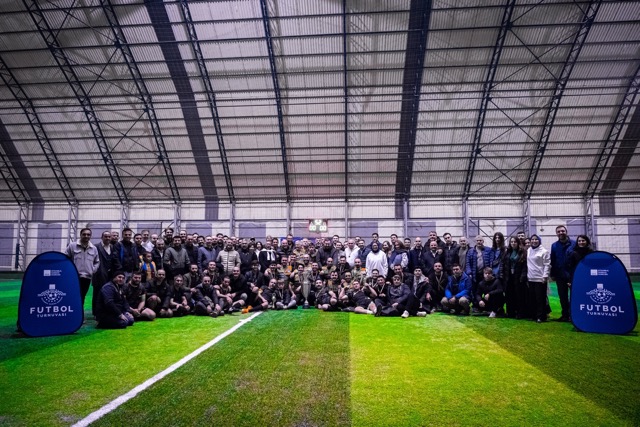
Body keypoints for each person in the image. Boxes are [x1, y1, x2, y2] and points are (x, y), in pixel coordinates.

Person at [65, 227, 100, 309]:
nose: (86, 236)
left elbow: (97, 262)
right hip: (74, 276)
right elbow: (66, 259)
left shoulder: (94, 248)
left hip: (87, 277)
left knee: (82, 296)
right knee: (73, 295)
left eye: (88, 234)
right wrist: (70, 271)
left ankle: (80, 313)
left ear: (90, 236)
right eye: (84, 234)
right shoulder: (72, 246)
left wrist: (92, 270)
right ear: (80, 235)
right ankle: (72, 312)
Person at [550, 225, 575, 322]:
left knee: (574, 296)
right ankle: (565, 315)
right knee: (562, 296)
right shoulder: (554, 245)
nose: (561, 233)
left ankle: (574, 315)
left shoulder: (574, 244)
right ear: (556, 233)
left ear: (566, 231)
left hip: (572, 275)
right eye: (559, 231)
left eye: (562, 231)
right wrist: (552, 274)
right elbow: (553, 260)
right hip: (560, 275)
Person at [527, 234, 551, 323]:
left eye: (536, 239)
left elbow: (547, 265)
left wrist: (545, 276)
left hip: (540, 278)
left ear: (539, 241)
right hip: (531, 278)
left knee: (540, 298)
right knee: (532, 298)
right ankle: (534, 315)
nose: (534, 241)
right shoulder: (529, 250)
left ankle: (541, 316)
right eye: (532, 239)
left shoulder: (544, 251)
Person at [504, 237, 528, 319]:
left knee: (519, 295)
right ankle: (510, 312)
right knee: (510, 295)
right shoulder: (508, 252)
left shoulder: (522, 252)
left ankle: (520, 313)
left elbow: (525, 265)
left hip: (519, 276)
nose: (513, 243)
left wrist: (523, 276)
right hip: (509, 276)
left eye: (515, 242)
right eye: (511, 242)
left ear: (518, 243)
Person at [92, 230, 115, 316]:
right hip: (99, 275)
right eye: (105, 236)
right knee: (97, 294)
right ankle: (96, 313)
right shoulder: (96, 247)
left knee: (108, 293)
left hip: (110, 274)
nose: (107, 238)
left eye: (109, 237)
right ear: (101, 237)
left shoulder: (112, 247)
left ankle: (106, 311)